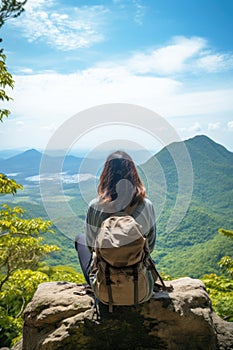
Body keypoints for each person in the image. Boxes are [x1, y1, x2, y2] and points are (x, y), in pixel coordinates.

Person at [75, 150, 156, 285]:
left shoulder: (95, 206)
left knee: (80, 239)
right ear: (133, 175)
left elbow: (91, 247)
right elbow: (150, 245)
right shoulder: (147, 205)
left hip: (105, 283)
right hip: (139, 281)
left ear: (106, 175)